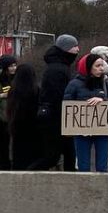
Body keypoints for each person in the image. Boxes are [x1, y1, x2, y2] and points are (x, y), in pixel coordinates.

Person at [29, 34, 80, 171]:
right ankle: (26, 175)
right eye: (74, 46)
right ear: (65, 49)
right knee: (53, 156)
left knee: (66, 154)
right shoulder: (58, 69)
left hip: (58, 119)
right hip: (56, 120)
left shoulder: (59, 67)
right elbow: (56, 96)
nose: (77, 49)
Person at [63, 52, 108, 172]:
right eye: (97, 66)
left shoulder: (107, 83)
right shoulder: (74, 85)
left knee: (102, 166)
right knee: (83, 166)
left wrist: (103, 100)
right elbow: (67, 104)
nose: (101, 69)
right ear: (88, 67)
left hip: (104, 130)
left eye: (102, 65)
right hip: (82, 131)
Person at [6, 63, 42, 170]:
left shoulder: (13, 92)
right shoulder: (37, 91)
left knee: (19, 161)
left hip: (18, 131)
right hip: (35, 132)